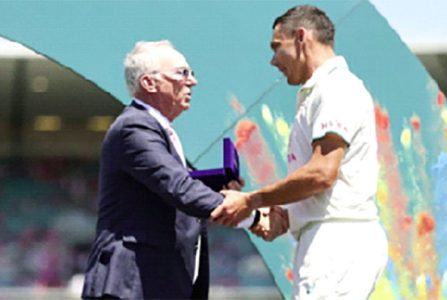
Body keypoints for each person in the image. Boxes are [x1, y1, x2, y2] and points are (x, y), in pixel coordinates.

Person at [211, 5, 388, 299]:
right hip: (330, 239)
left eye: (277, 47)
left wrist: (252, 199)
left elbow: (321, 174)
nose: (272, 60)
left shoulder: (336, 88)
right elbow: (314, 190)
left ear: (301, 37)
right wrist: (255, 213)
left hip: (336, 242)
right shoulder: (319, 91)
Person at [81, 40, 249, 300]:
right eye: (183, 73)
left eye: (191, 73)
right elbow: (178, 187)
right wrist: (252, 213)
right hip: (132, 284)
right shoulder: (134, 127)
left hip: (157, 284)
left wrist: (218, 187)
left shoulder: (158, 130)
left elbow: (171, 184)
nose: (192, 81)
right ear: (150, 83)